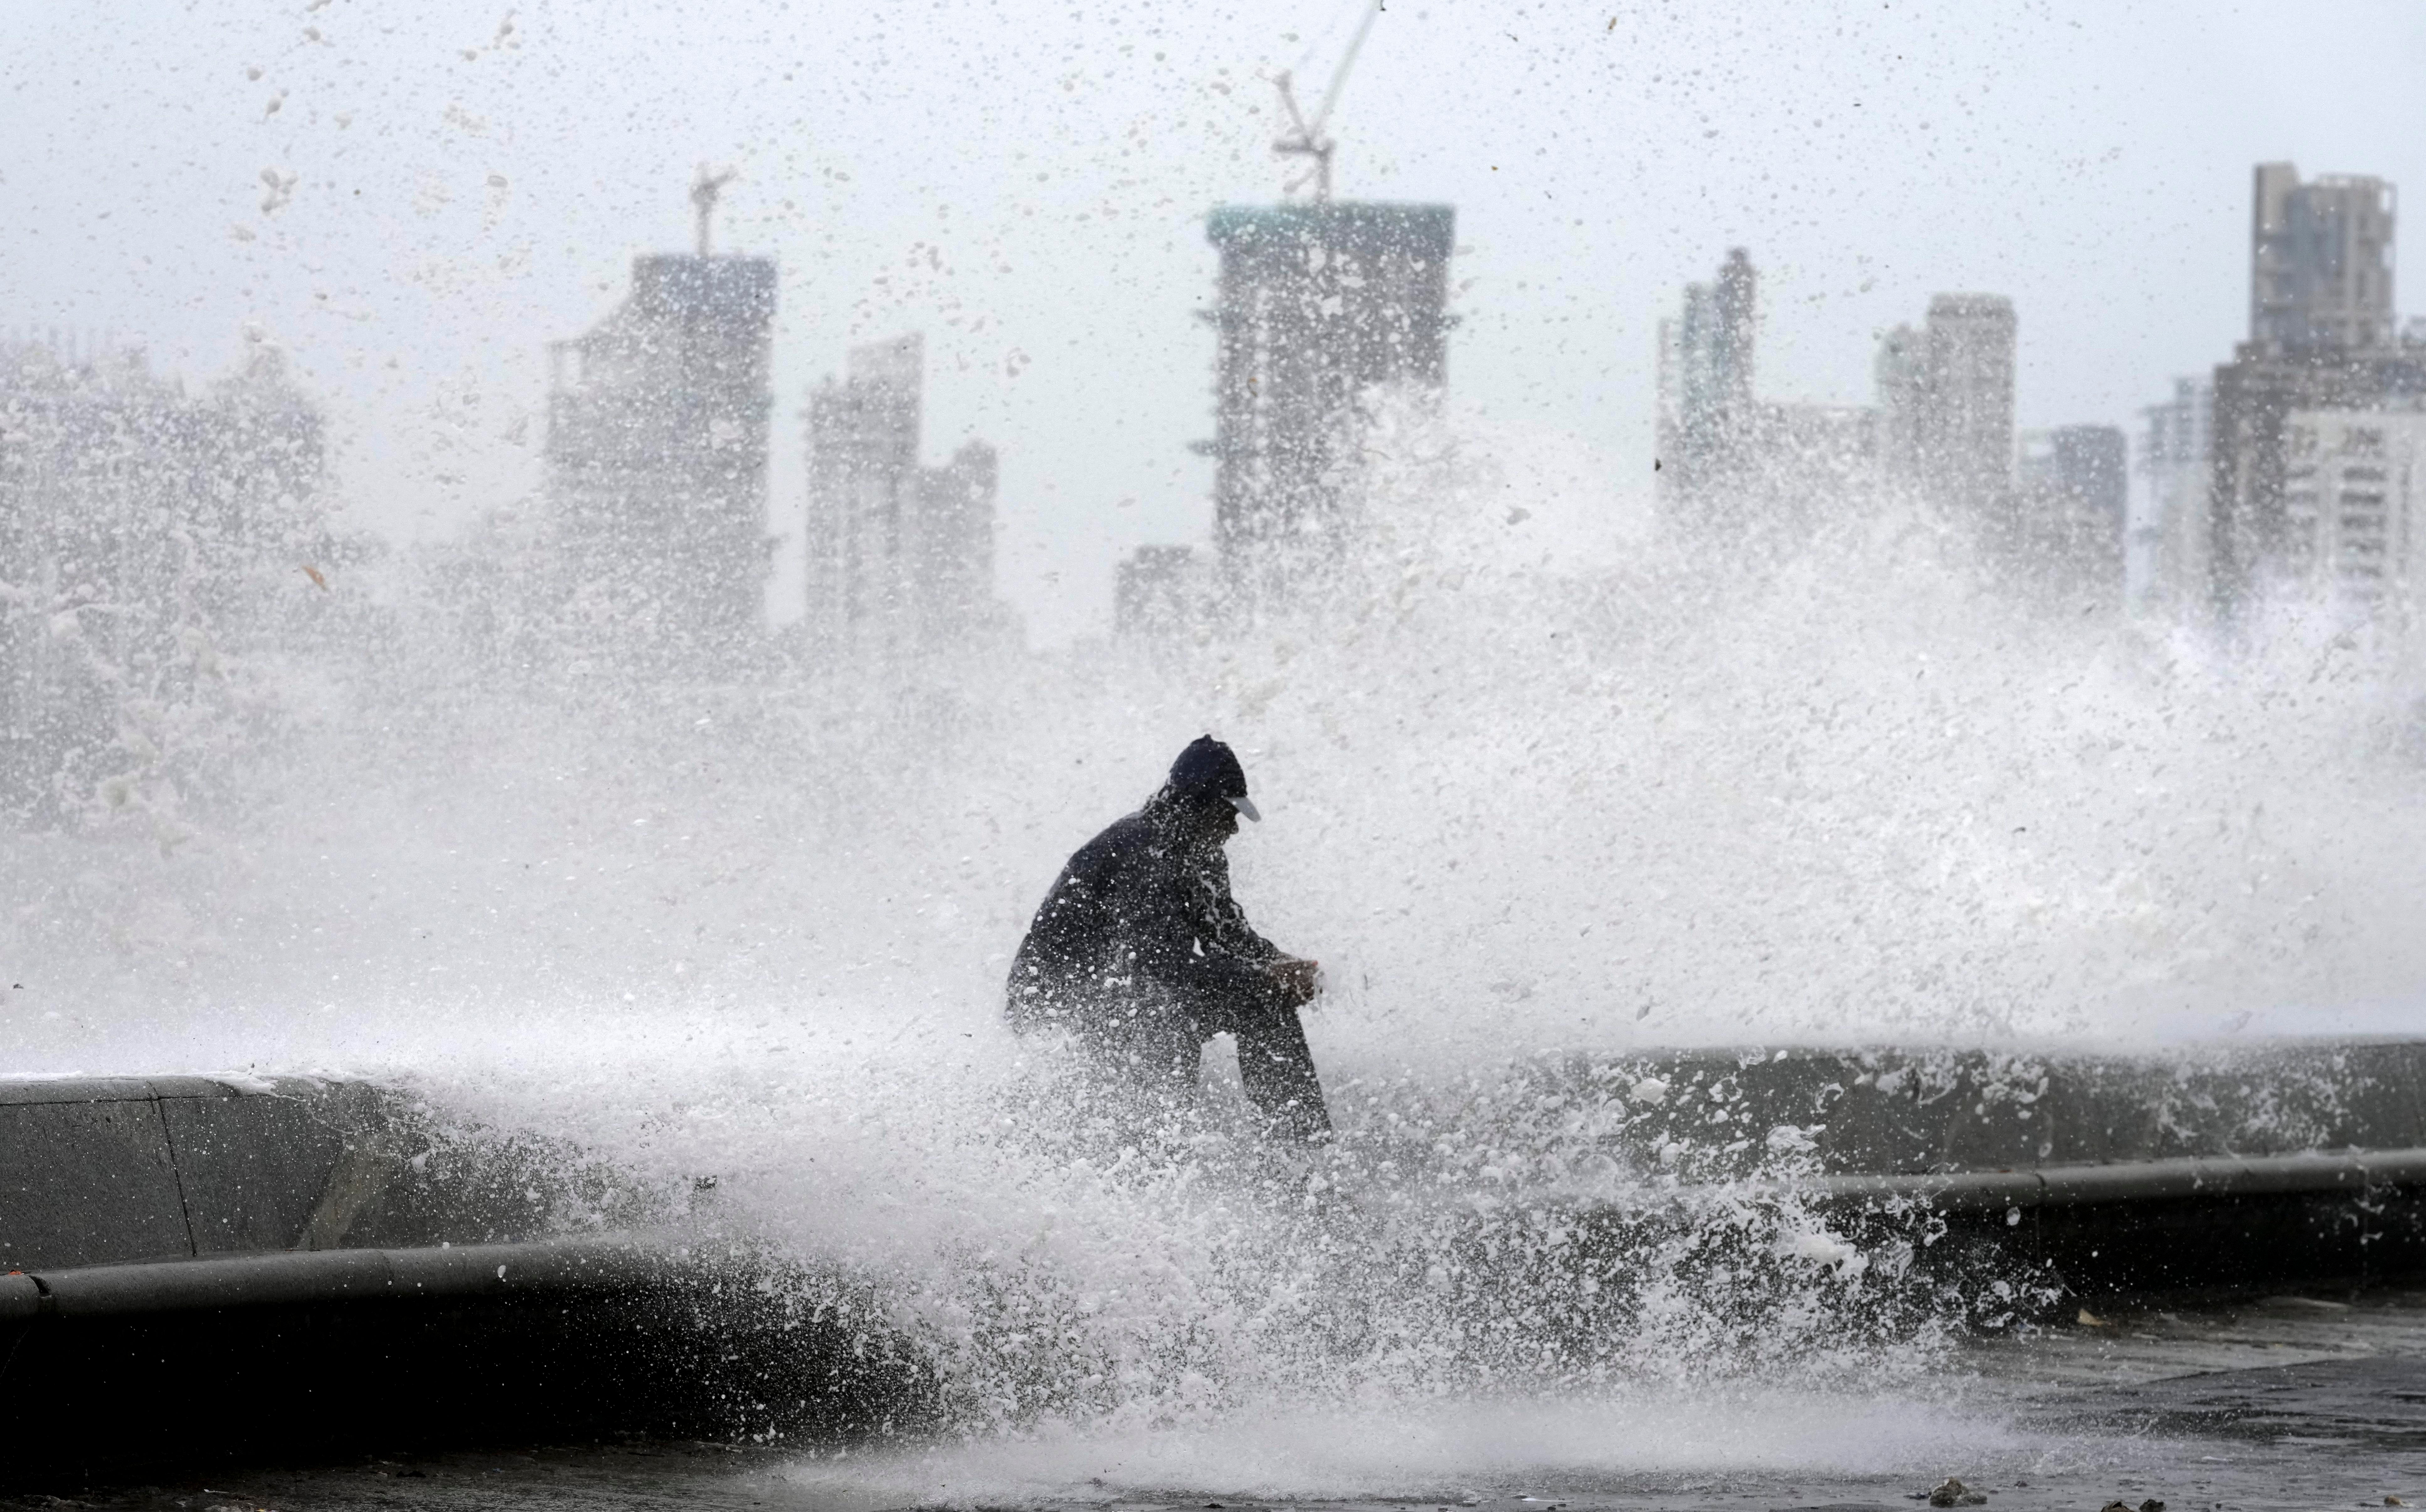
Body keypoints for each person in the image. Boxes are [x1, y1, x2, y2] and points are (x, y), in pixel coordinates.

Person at [1007, 735, 1331, 1141]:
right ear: (1195, 805)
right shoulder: (1142, 851)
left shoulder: (1199, 850)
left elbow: (1227, 934)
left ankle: (1302, 1159)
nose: (1234, 827)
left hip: (1123, 992)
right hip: (1056, 1009)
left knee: (1262, 1000)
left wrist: (1281, 965)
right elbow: (1161, 972)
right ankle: (1154, 1168)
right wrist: (1265, 979)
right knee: (1170, 1008)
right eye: (1227, 812)